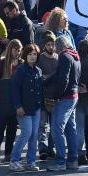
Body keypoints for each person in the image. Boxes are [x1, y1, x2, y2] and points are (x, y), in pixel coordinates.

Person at [44, 36, 81, 171]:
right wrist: (45, 82)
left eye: (56, 47)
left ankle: (60, 161)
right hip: (74, 95)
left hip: (65, 97)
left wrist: (56, 96)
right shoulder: (75, 56)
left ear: (59, 46)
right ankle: (72, 159)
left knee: (56, 128)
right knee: (70, 128)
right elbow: (58, 74)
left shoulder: (64, 57)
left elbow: (62, 79)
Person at [7, 44, 44, 172]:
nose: (32, 56)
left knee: (34, 135)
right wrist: (18, 106)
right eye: (30, 54)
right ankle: (14, 160)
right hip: (24, 108)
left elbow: (40, 89)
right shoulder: (20, 71)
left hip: (36, 107)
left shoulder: (38, 70)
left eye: (34, 54)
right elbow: (14, 90)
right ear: (25, 55)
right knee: (26, 133)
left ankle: (31, 161)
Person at [37, 31, 58, 160]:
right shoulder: (40, 58)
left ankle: (52, 147)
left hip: (55, 96)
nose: (51, 47)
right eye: (49, 44)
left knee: (54, 124)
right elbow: (39, 76)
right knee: (43, 124)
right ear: (45, 45)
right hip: (43, 96)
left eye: (53, 44)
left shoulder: (58, 58)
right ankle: (43, 148)